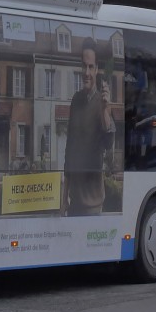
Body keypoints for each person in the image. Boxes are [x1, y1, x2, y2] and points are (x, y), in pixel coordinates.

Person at [63, 37, 116, 216]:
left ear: (96, 69)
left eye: (91, 67)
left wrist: (104, 110)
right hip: (73, 203)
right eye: (84, 66)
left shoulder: (102, 102)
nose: (86, 72)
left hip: (93, 206)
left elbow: (108, 142)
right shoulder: (75, 101)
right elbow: (69, 151)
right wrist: (64, 197)